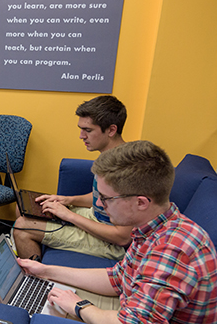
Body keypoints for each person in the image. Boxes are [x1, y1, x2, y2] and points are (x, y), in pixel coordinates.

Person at [18, 140, 217, 323]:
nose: (99, 203)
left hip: (129, 318)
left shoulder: (172, 250)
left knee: (39, 313)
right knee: (44, 297)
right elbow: (118, 279)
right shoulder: (154, 226)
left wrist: (79, 306)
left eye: (106, 198)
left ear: (141, 202)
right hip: (131, 307)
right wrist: (44, 271)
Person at [13, 95, 131, 261]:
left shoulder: (125, 171)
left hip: (110, 242)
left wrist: (69, 216)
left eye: (88, 130)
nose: (81, 136)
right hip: (95, 218)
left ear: (111, 130)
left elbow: (123, 237)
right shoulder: (109, 155)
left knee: (22, 228)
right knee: (26, 206)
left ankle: (35, 280)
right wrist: (66, 199)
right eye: (81, 129)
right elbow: (100, 198)